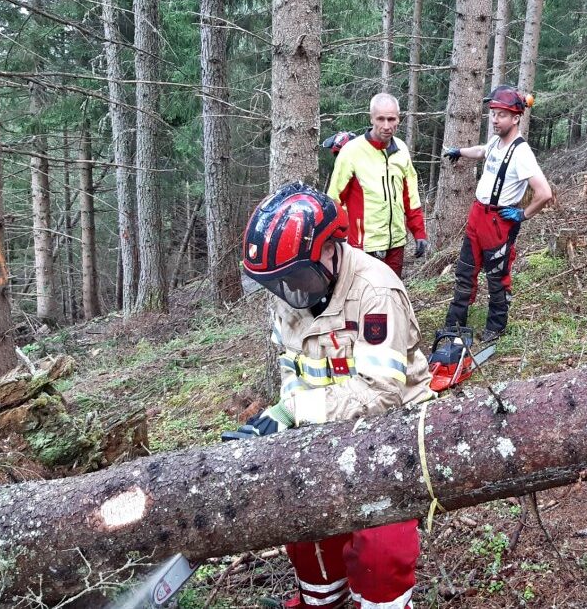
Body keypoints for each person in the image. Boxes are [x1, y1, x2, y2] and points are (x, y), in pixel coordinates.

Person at [233, 182, 433, 609]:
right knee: (308, 536)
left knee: (382, 553)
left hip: (390, 432)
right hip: (323, 426)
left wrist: (293, 410)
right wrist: (286, 421)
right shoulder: (290, 292)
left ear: (329, 250)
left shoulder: (375, 292)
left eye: (296, 278)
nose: (289, 292)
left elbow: (381, 395)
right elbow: (292, 364)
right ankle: (321, 600)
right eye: (279, 282)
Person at [441, 86, 553, 343]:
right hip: (477, 216)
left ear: (515, 118)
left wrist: (523, 215)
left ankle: (496, 326)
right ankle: (454, 323)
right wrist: (459, 151)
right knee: (465, 271)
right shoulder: (496, 141)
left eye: (501, 115)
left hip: (498, 222)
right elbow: (481, 151)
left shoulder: (521, 152)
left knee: (497, 276)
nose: (494, 119)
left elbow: (544, 193)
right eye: (493, 113)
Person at [327, 93, 429, 278]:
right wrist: (337, 240)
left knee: (392, 292)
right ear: (371, 118)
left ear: (399, 118)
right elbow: (335, 199)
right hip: (362, 245)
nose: (386, 126)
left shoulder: (401, 149)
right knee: (364, 297)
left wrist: (419, 232)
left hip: (396, 242)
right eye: (381, 119)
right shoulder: (352, 151)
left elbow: (411, 196)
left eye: (392, 119)